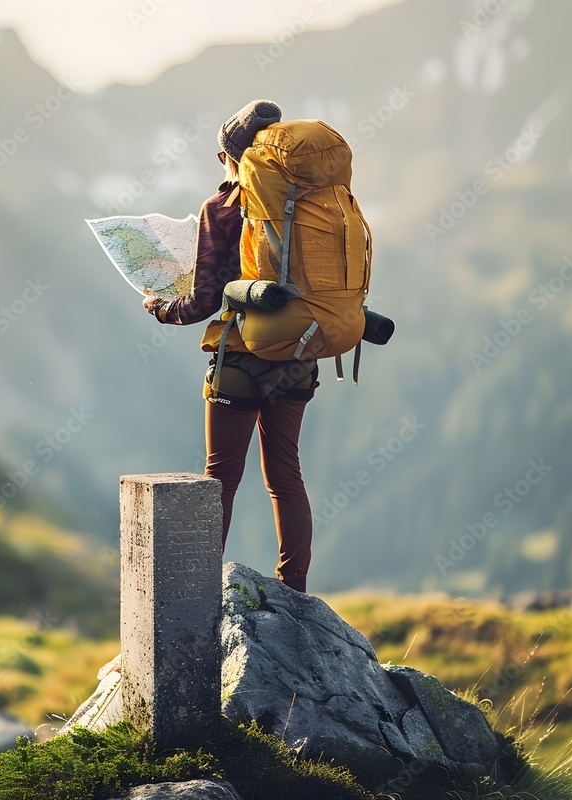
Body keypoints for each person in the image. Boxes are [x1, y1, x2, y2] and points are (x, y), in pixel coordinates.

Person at [141, 99, 317, 594]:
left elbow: (200, 302)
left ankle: (198, 592)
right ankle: (295, 591)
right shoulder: (310, 204)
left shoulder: (221, 209)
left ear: (232, 157)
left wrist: (159, 306)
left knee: (219, 478)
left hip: (240, 359)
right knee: (286, 475)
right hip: (301, 353)